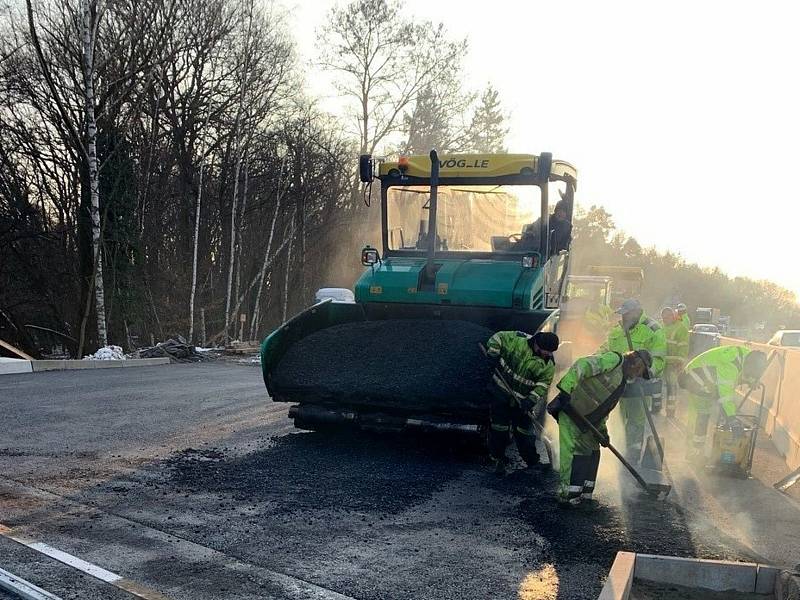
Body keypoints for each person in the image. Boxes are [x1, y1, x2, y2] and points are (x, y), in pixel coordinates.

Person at [547, 349, 652, 507]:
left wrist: (602, 433)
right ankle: (566, 494)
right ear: (636, 360)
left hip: (588, 419)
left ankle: (584, 493)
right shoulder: (614, 360)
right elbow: (583, 364)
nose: (638, 375)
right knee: (570, 452)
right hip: (571, 408)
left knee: (593, 451)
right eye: (641, 370)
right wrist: (566, 388)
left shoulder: (621, 383)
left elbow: (604, 410)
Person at [599, 298, 666, 461]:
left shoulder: (654, 330)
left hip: (639, 385)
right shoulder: (617, 330)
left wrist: (645, 373)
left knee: (636, 420)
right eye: (622, 315)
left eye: (626, 314)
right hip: (617, 383)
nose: (623, 318)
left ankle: (633, 454)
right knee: (616, 418)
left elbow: (659, 360)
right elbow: (604, 350)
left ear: (636, 313)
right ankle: (617, 452)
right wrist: (596, 361)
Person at [485, 330, 559, 474]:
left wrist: (530, 401)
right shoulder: (517, 341)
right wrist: (492, 355)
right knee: (500, 429)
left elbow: (542, 386)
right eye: (546, 351)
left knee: (524, 432)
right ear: (537, 345)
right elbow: (497, 338)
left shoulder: (548, 365)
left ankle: (532, 462)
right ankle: (497, 459)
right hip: (501, 391)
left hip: (522, 402)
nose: (549, 355)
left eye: (551, 352)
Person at [679, 345, 768, 459]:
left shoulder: (749, 356)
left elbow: (747, 372)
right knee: (701, 415)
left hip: (707, 378)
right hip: (695, 378)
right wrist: (732, 419)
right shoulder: (730, 365)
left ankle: (699, 450)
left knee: (714, 411)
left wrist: (753, 380)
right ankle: (694, 452)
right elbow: (725, 396)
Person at [661, 307, 690, 417]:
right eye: (663, 318)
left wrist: (680, 361)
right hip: (662, 362)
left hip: (673, 363)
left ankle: (671, 411)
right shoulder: (662, 326)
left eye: (667, 317)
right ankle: (656, 407)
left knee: (671, 386)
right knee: (657, 385)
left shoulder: (681, 328)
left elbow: (684, 347)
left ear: (673, 316)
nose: (664, 320)